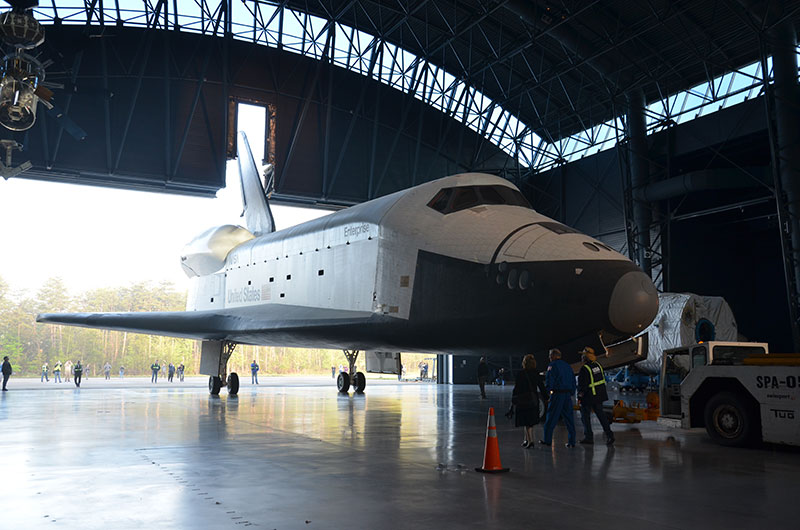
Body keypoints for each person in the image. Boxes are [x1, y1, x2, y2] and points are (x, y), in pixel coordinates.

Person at [507, 354, 549, 447]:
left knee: (526, 422)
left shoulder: (521, 374)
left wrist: (513, 400)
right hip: (533, 400)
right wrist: (546, 398)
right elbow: (541, 386)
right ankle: (526, 439)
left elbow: (516, 389)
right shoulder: (536, 373)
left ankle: (530, 441)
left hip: (523, 400)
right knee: (530, 422)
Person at [577, 347, 615, 446]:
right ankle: (610, 435)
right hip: (599, 395)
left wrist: (580, 396)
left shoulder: (584, 369)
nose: (581, 357)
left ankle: (589, 437)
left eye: (583, 356)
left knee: (585, 417)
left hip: (589, 397)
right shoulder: (598, 366)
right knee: (601, 416)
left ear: (585, 357)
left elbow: (583, 386)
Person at [540, 348, 577, 447]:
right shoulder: (567, 366)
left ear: (553, 356)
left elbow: (550, 380)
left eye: (550, 355)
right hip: (567, 395)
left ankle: (547, 440)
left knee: (551, 418)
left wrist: (548, 393)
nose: (549, 357)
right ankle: (571, 441)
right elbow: (573, 380)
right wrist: (572, 392)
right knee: (569, 419)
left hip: (557, 395)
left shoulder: (552, 366)